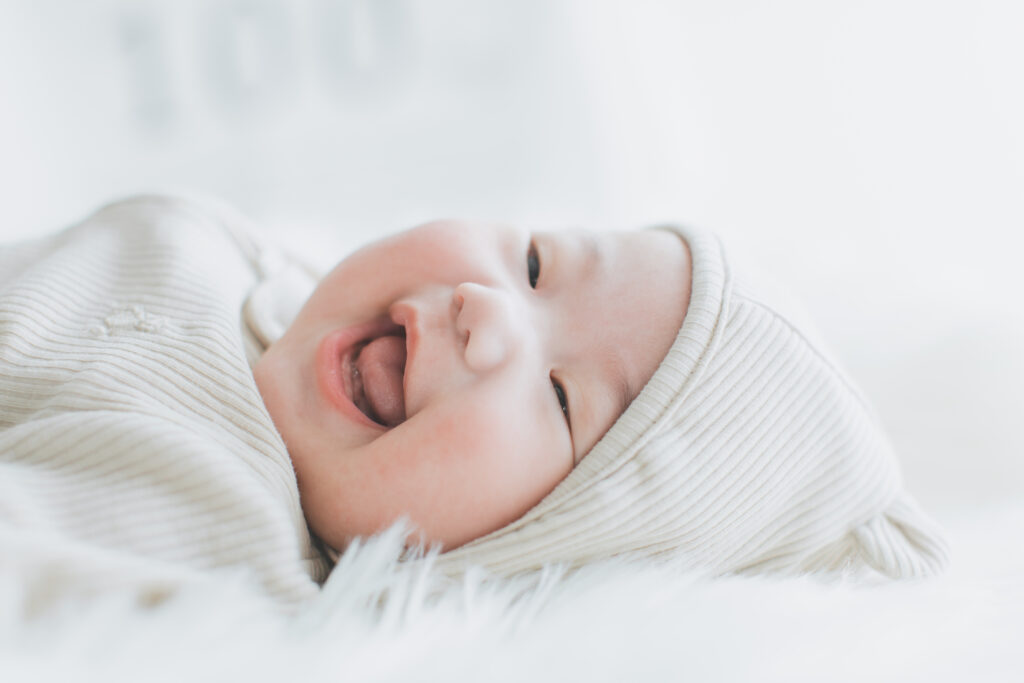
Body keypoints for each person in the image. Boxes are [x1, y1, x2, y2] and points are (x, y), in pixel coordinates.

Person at [0, 194, 947, 612]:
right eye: (536, 265)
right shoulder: (236, 252)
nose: (488, 312)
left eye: (563, 398)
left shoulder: (206, 524)